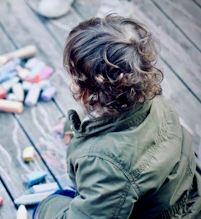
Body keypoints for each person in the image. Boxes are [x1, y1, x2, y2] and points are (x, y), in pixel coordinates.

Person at [33, 15, 201, 218]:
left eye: (73, 76)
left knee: (54, 200)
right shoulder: (153, 99)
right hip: (183, 196)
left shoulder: (105, 166)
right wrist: (75, 123)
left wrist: (47, 208)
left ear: (87, 93)